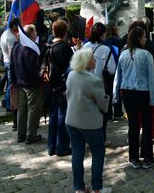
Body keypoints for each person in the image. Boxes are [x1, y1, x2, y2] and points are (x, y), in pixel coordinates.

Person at [113, 25, 154, 169]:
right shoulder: (146, 55)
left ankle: (133, 157)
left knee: (132, 125)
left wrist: (116, 95)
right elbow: (152, 79)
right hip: (143, 93)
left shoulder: (123, 54)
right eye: (144, 36)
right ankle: (147, 157)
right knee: (146, 125)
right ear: (139, 38)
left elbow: (117, 77)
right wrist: (153, 99)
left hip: (127, 93)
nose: (146, 39)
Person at [66, 48, 110, 193]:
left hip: (71, 120)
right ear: (86, 62)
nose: (95, 61)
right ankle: (97, 189)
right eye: (93, 58)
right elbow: (103, 104)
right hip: (90, 123)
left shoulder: (71, 75)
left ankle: (79, 188)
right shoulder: (94, 80)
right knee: (98, 153)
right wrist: (107, 99)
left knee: (77, 154)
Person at [83, 23, 117, 142]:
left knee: (88, 113)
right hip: (100, 85)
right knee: (101, 114)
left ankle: (88, 139)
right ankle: (101, 139)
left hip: (85, 85)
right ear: (103, 34)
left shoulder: (85, 46)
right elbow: (112, 69)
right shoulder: (106, 49)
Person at [44, 19, 74, 157]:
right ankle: (61, 147)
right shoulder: (64, 47)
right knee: (62, 117)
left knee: (53, 116)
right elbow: (71, 67)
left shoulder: (48, 46)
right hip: (62, 87)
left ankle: (51, 146)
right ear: (65, 32)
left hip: (50, 86)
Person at [10, 25, 44, 144]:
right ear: (31, 34)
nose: (37, 34)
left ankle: (21, 134)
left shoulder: (16, 46)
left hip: (20, 82)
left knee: (22, 110)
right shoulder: (31, 49)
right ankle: (31, 135)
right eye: (35, 32)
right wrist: (41, 80)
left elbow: (11, 66)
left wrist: (14, 81)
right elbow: (33, 69)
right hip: (31, 83)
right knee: (33, 109)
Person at [0, 18, 19, 129]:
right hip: (10, 62)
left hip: (6, 61)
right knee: (11, 85)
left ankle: (6, 101)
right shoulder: (10, 37)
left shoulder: (6, 33)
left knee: (9, 84)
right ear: (14, 26)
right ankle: (8, 105)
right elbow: (12, 53)